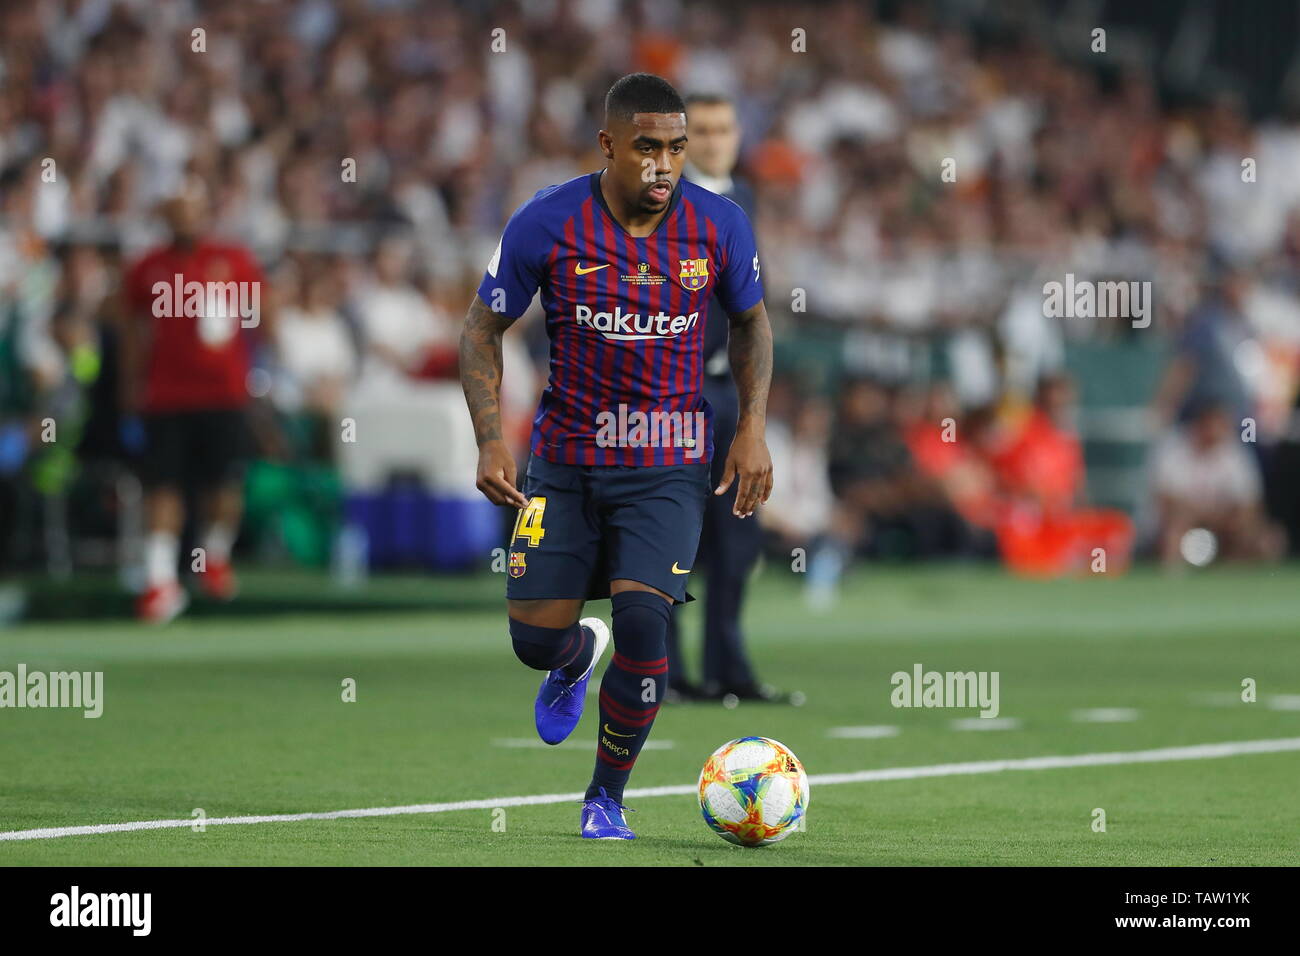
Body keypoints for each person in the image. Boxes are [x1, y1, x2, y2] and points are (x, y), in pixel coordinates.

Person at [459, 74, 773, 840]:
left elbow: (753, 325)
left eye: (676, 148)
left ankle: (606, 797)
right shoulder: (547, 220)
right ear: (608, 145)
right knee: (534, 642)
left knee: (644, 620)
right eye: (647, 148)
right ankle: (574, 655)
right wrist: (491, 437)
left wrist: (752, 426)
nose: (664, 165)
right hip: (562, 464)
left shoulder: (719, 224)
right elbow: (480, 329)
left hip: (668, 463)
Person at [664, 92, 778, 702]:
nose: (713, 140)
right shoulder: (664, 201)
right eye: (700, 130)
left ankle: (726, 670)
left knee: (737, 538)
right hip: (672, 394)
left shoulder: (743, 198)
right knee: (670, 535)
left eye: (722, 128)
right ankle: (665, 675)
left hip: (727, 393)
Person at [119, 173, 270, 622]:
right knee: (162, 487)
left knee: (224, 485)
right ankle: (160, 582)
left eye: (193, 210)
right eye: (178, 210)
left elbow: (261, 316)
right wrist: (131, 383)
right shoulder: (147, 268)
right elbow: (132, 329)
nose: (186, 219)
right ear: (166, 216)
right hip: (166, 397)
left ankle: (214, 557)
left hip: (223, 395)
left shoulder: (235, 261)